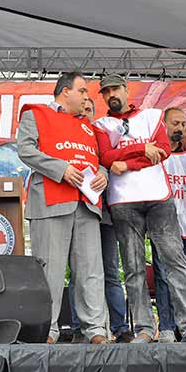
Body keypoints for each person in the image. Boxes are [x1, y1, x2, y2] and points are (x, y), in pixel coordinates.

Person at [95, 74, 186, 343]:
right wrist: (142, 148)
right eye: (106, 91)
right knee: (133, 268)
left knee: (175, 262)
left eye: (115, 89)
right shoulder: (101, 124)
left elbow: (164, 150)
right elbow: (106, 157)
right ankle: (144, 329)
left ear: (126, 90)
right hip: (123, 201)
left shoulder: (152, 116)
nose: (111, 94)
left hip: (158, 197)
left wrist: (127, 162)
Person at [17, 72, 110, 344]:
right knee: (50, 270)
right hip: (50, 200)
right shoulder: (35, 114)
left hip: (86, 203)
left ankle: (95, 329)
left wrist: (103, 174)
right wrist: (61, 169)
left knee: (91, 270)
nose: (86, 97)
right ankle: (47, 329)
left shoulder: (88, 126)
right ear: (65, 91)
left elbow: (98, 160)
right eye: (82, 91)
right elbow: (26, 150)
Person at [68, 95, 132, 343]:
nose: (85, 112)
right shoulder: (70, 138)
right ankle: (79, 328)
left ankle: (120, 328)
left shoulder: (102, 138)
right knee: (78, 272)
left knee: (110, 271)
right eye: (82, 108)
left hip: (105, 216)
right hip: (80, 212)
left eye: (89, 109)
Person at [152, 107, 186, 342]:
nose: (181, 128)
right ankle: (166, 326)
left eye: (184, 124)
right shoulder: (156, 156)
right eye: (175, 123)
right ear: (163, 125)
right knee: (164, 276)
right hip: (163, 225)